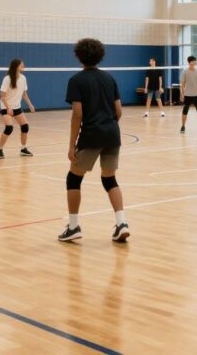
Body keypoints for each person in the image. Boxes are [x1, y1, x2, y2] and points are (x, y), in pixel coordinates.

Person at [58, 38, 129, 243]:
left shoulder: (76, 80)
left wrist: (72, 145)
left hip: (91, 136)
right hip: (112, 134)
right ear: (100, 55)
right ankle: (122, 222)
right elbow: (119, 111)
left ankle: (73, 227)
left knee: (73, 179)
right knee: (109, 179)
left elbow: (77, 114)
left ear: (79, 56)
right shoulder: (109, 78)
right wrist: (108, 125)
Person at [0, 58, 35, 159]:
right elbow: (2, 96)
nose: (24, 66)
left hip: (17, 107)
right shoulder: (7, 79)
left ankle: (23, 149)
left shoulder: (23, 78)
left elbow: (24, 94)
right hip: (6, 107)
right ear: (16, 66)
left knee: (25, 126)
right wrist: (8, 108)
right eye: (22, 64)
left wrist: (30, 105)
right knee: (9, 128)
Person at [180, 55, 197, 134]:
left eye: (195, 61)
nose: (195, 62)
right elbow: (182, 84)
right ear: (189, 62)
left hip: (196, 95)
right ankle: (183, 126)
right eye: (193, 61)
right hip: (187, 95)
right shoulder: (184, 72)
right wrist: (182, 94)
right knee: (185, 111)